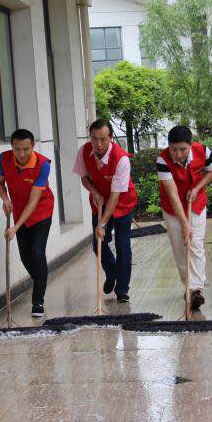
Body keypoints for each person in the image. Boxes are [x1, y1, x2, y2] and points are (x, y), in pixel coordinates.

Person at [73, 119, 138, 303]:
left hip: (122, 203)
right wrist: (94, 192)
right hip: (99, 202)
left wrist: (102, 224)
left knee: (123, 246)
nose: (98, 144)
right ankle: (112, 273)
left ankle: (122, 290)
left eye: (103, 139)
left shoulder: (121, 159)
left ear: (111, 138)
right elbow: (84, 178)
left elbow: (115, 196)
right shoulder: (84, 151)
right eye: (94, 139)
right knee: (98, 244)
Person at [157, 125, 212, 312]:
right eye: (174, 149)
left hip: (196, 203)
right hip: (172, 209)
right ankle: (188, 286)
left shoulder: (203, 151)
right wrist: (184, 223)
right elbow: (172, 193)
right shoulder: (162, 159)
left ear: (190, 145)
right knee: (180, 249)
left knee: (195, 244)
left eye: (183, 149)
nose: (178, 154)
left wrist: (198, 187)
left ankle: (196, 290)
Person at [0, 129, 55, 317]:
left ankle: (38, 302)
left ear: (33, 146)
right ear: (12, 147)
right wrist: (5, 199)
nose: (21, 154)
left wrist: (15, 227)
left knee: (37, 252)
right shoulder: (3, 159)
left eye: (26, 149)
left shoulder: (43, 165)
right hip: (19, 211)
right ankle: (41, 280)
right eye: (17, 149)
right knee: (25, 257)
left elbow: (34, 200)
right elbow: (0, 184)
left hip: (41, 211)